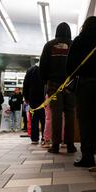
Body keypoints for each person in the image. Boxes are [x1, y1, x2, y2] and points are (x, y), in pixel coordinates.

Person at [66, 16, 96, 167]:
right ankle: (94, 151)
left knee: (84, 121)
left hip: (83, 85)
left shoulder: (79, 40)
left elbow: (70, 66)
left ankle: (87, 155)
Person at [39, 22, 76, 154]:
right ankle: (70, 144)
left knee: (56, 115)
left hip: (54, 85)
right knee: (70, 114)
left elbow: (42, 66)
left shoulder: (49, 45)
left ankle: (55, 145)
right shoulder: (73, 45)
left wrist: (45, 81)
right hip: (69, 85)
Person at [23, 62, 46, 144]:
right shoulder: (45, 68)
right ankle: (45, 137)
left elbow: (25, 84)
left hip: (32, 98)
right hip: (44, 98)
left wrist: (26, 97)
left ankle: (34, 138)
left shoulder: (30, 70)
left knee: (34, 119)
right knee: (44, 119)